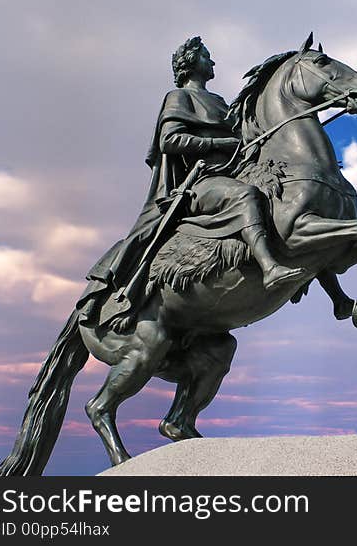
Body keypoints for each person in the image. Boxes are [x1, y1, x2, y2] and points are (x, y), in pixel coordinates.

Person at [77, 36, 304, 332]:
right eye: (206, 56)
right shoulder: (179, 97)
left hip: (230, 173)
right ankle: (269, 267)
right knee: (245, 196)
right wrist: (218, 141)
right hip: (200, 181)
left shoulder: (220, 102)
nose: (212, 62)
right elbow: (169, 140)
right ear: (189, 62)